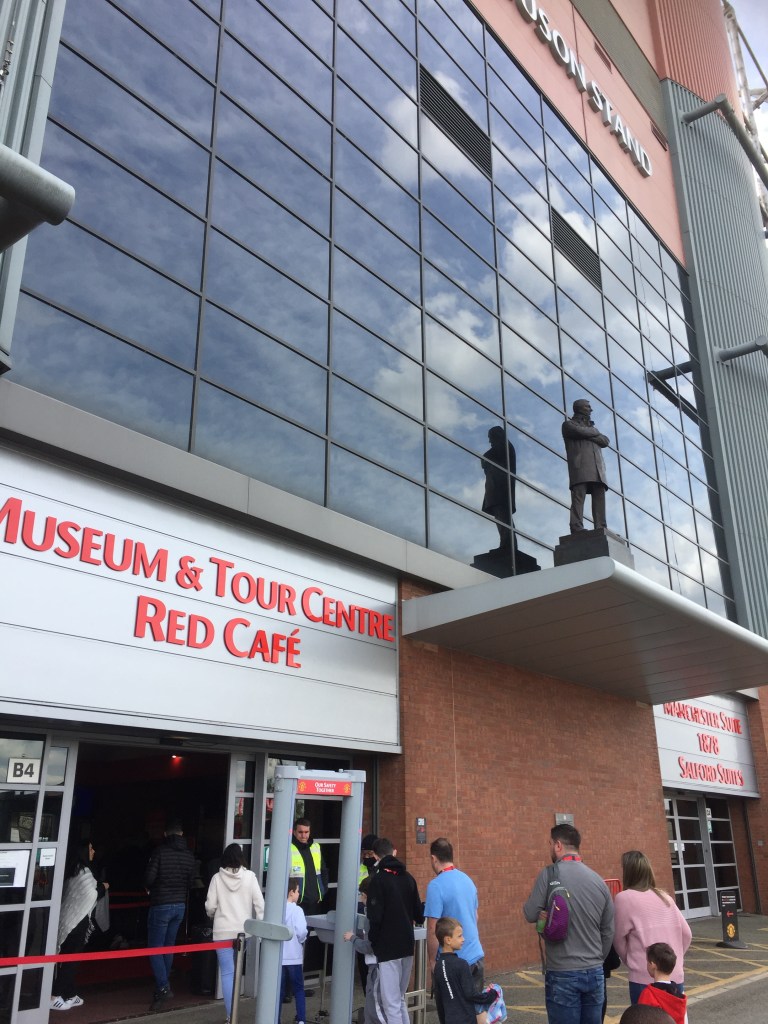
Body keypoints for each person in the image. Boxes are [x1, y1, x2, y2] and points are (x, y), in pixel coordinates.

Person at [523, 823, 614, 1024]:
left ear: (558, 845)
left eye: (550, 844)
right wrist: (597, 958)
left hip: (562, 972)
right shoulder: (598, 881)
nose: (549, 848)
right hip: (595, 972)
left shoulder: (549, 875)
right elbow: (608, 931)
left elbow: (529, 913)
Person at [613, 851, 691, 1004]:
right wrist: (672, 959)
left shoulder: (624, 898)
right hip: (673, 974)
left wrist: (631, 961)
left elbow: (618, 939)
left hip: (644, 975)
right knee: (672, 1015)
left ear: (628, 872)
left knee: (644, 1015)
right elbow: (687, 934)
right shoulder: (665, 897)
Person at [424, 837, 484, 1024]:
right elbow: (475, 917)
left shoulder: (436, 886)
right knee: (476, 1013)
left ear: (434, 858)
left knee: (452, 1016)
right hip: (475, 956)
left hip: (452, 963)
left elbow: (432, 928)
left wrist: (433, 961)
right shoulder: (468, 880)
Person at [366, 837, 424, 1024]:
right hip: (407, 945)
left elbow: (375, 917)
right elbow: (419, 915)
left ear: (375, 856)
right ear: (395, 852)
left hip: (387, 948)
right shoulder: (409, 878)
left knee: (390, 1003)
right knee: (399, 999)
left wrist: (374, 942)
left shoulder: (378, 880)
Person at [205, 842, 265, 1023]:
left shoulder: (217, 878)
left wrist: (213, 915)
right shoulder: (250, 877)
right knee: (237, 972)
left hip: (222, 932)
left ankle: (231, 1016)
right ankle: (234, 1013)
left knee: (227, 973)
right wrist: (261, 926)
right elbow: (259, 904)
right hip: (243, 932)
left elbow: (210, 906)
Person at [144, 817, 196, 1010]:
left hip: (161, 904)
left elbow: (149, 878)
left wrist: (150, 887)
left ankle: (163, 986)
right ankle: (162, 987)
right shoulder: (189, 855)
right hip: (179, 905)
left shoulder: (160, 852)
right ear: (182, 834)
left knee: (155, 948)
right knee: (168, 947)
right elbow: (192, 881)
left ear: (166, 834)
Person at [51, 841, 109, 1010]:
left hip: (67, 920)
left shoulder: (73, 870)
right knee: (71, 960)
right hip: (78, 921)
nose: (93, 851)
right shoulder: (84, 872)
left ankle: (70, 994)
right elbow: (91, 894)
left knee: (67, 958)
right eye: (90, 848)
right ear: (84, 851)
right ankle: (54, 995)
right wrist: (103, 887)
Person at [432, 918, 496, 1024]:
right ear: (448, 940)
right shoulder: (461, 964)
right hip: (466, 1019)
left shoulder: (438, 966)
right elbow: (471, 994)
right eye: (459, 936)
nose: (463, 939)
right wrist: (491, 995)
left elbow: (439, 999)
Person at [562, 399, 610, 533]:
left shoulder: (590, 427)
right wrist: (594, 432)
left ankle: (601, 526)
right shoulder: (568, 425)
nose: (591, 409)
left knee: (599, 496)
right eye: (587, 407)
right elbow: (579, 432)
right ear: (579, 408)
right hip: (580, 467)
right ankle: (576, 527)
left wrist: (589, 433)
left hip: (597, 469)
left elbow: (605, 441)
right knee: (579, 496)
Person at [344, 876, 384, 1024]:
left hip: (376, 966)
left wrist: (353, 938)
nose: (361, 899)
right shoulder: (385, 910)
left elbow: (369, 946)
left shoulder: (372, 917)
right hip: (386, 964)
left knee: (375, 1009)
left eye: (362, 896)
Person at [481, 427, 517, 549]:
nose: (489, 441)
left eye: (490, 437)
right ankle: (506, 544)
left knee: (503, 517)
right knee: (501, 518)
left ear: (497, 436)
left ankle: (507, 545)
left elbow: (487, 457)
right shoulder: (502, 447)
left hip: (500, 490)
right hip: (497, 490)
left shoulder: (503, 446)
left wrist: (485, 461)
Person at [637, 943, 687, 1024]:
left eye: (647, 962)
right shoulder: (679, 995)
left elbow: (641, 1019)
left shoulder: (648, 994)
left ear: (652, 965)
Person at [281, 878, 308, 1024]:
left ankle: (275, 1019)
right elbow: (301, 931)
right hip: (294, 956)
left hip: (279, 957)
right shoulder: (297, 910)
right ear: (291, 892)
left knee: (278, 991)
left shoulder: (276, 908)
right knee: (298, 989)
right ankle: (301, 1020)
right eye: (297, 891)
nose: (299, 894)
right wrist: (301, 940)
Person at [291, 817, 328, 916]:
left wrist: (323, 891)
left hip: (314, 900)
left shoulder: (315, 847)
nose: (304, 835)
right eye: (300, 832)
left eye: (306, 832)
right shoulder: (289, 848)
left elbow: (323, 870)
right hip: (297, 900)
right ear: (294, 832)